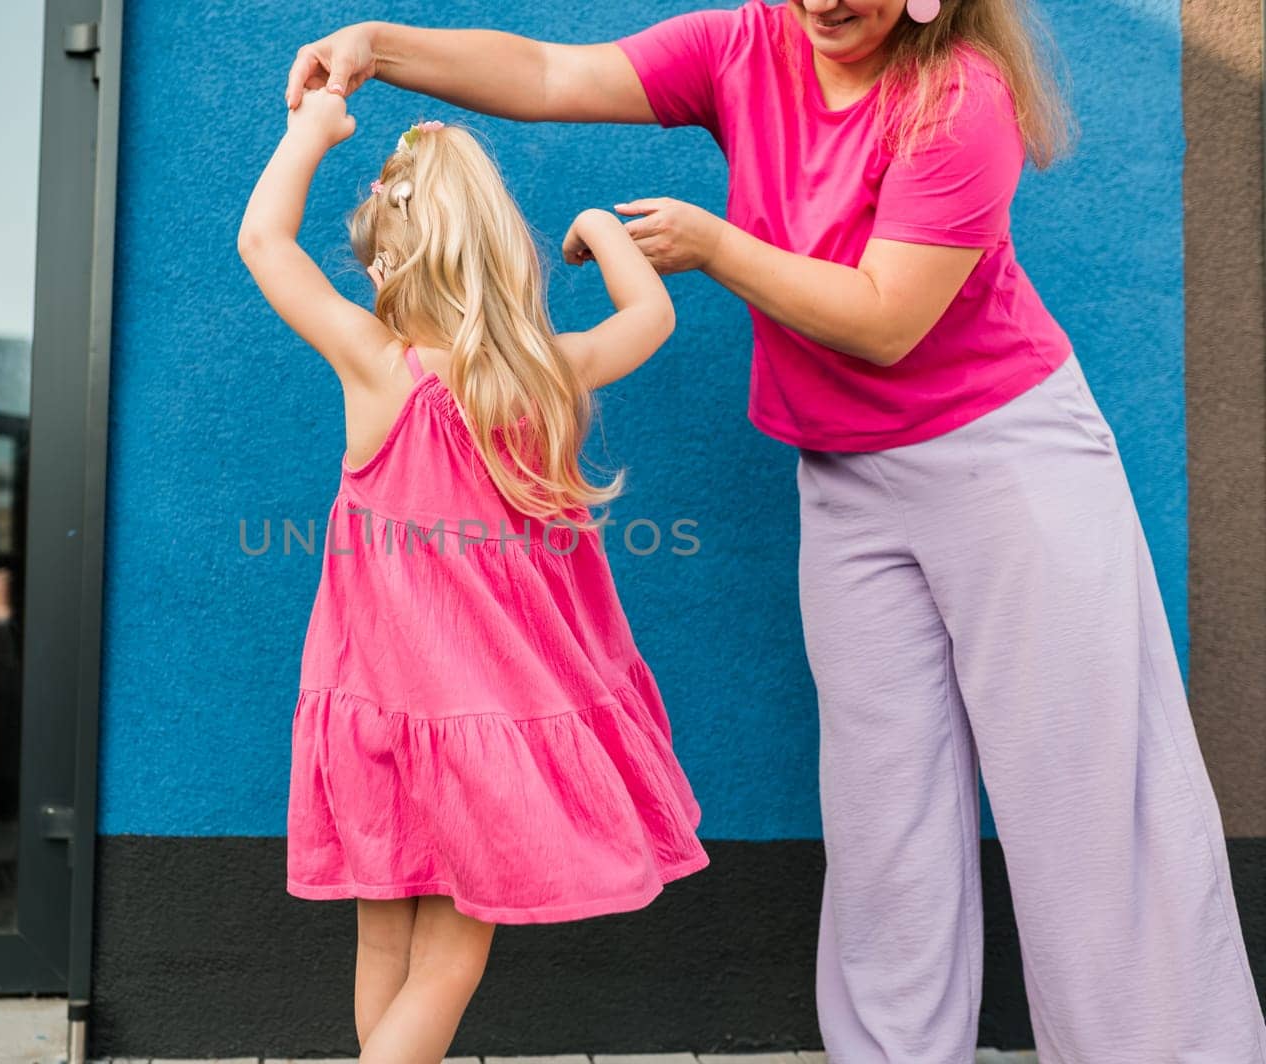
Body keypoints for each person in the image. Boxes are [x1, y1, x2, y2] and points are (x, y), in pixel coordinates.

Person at [281, 2, 1266, 1062]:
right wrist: (379, 48)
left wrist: (713, 244)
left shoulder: (962, 96)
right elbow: (549, 74)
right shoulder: (741, 47)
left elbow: (887, 320)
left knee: (1082, 791)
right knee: (884, 812)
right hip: (845, 473)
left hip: (1004, 456)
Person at [236, 89, 708, 1063]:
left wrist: (311, 133)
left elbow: (264, 245)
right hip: (488, 727)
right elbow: (652, 312)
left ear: (383, 258)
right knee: (448, 961)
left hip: (371, 715)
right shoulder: (547, 374)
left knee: (382, 940)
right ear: (499, 254)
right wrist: (595, 231)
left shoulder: (375, 367)